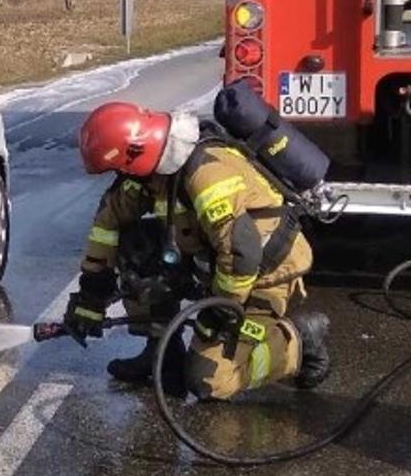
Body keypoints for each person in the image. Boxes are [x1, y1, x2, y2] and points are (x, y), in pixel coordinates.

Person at [59, 100, 332, 399]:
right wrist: (91, 295)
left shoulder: (207, 175)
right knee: (136, 248)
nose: (119, 176)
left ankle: (300, 340)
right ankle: (162, 354)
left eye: (118, 167)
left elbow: (243, 255)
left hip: (265, 275)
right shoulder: (154, 172)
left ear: (135, 153)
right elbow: (107, 224)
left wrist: (219, 312)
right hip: (215, 265)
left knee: (209, 381)